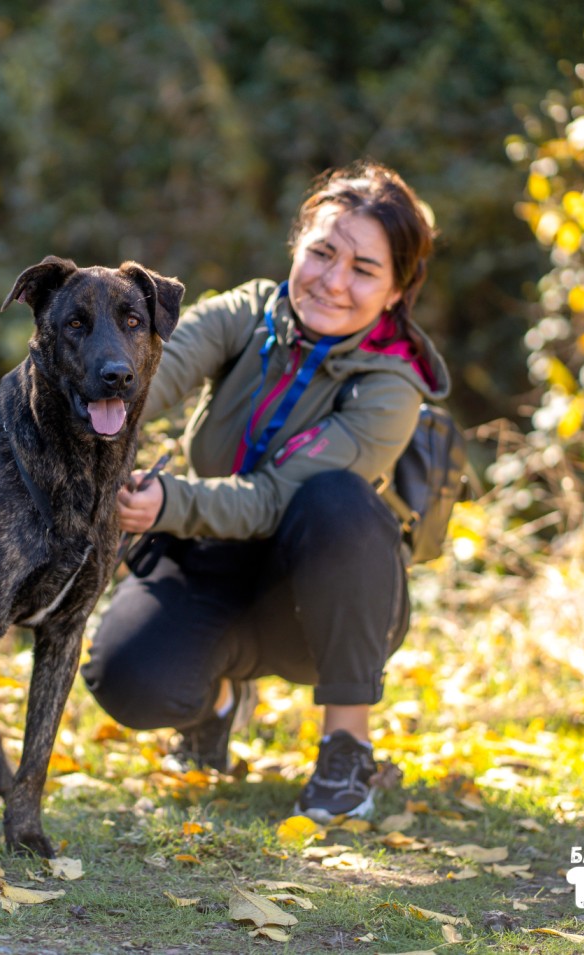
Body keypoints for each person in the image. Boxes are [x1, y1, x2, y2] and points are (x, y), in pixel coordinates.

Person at [81, 161, 450, 822]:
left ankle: (346, 745)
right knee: (131, 680)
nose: (333, 282)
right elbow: (145, 379)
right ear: (297, 245)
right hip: (210, 555)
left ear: (395, 290)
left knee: (336, 498)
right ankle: (214, 703)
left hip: (319, 596)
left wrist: (169, 501)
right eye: (322, 252)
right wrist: (68, 416)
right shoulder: (243, 312)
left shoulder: (392, 384)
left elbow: (278, 498)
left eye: (364, 270)